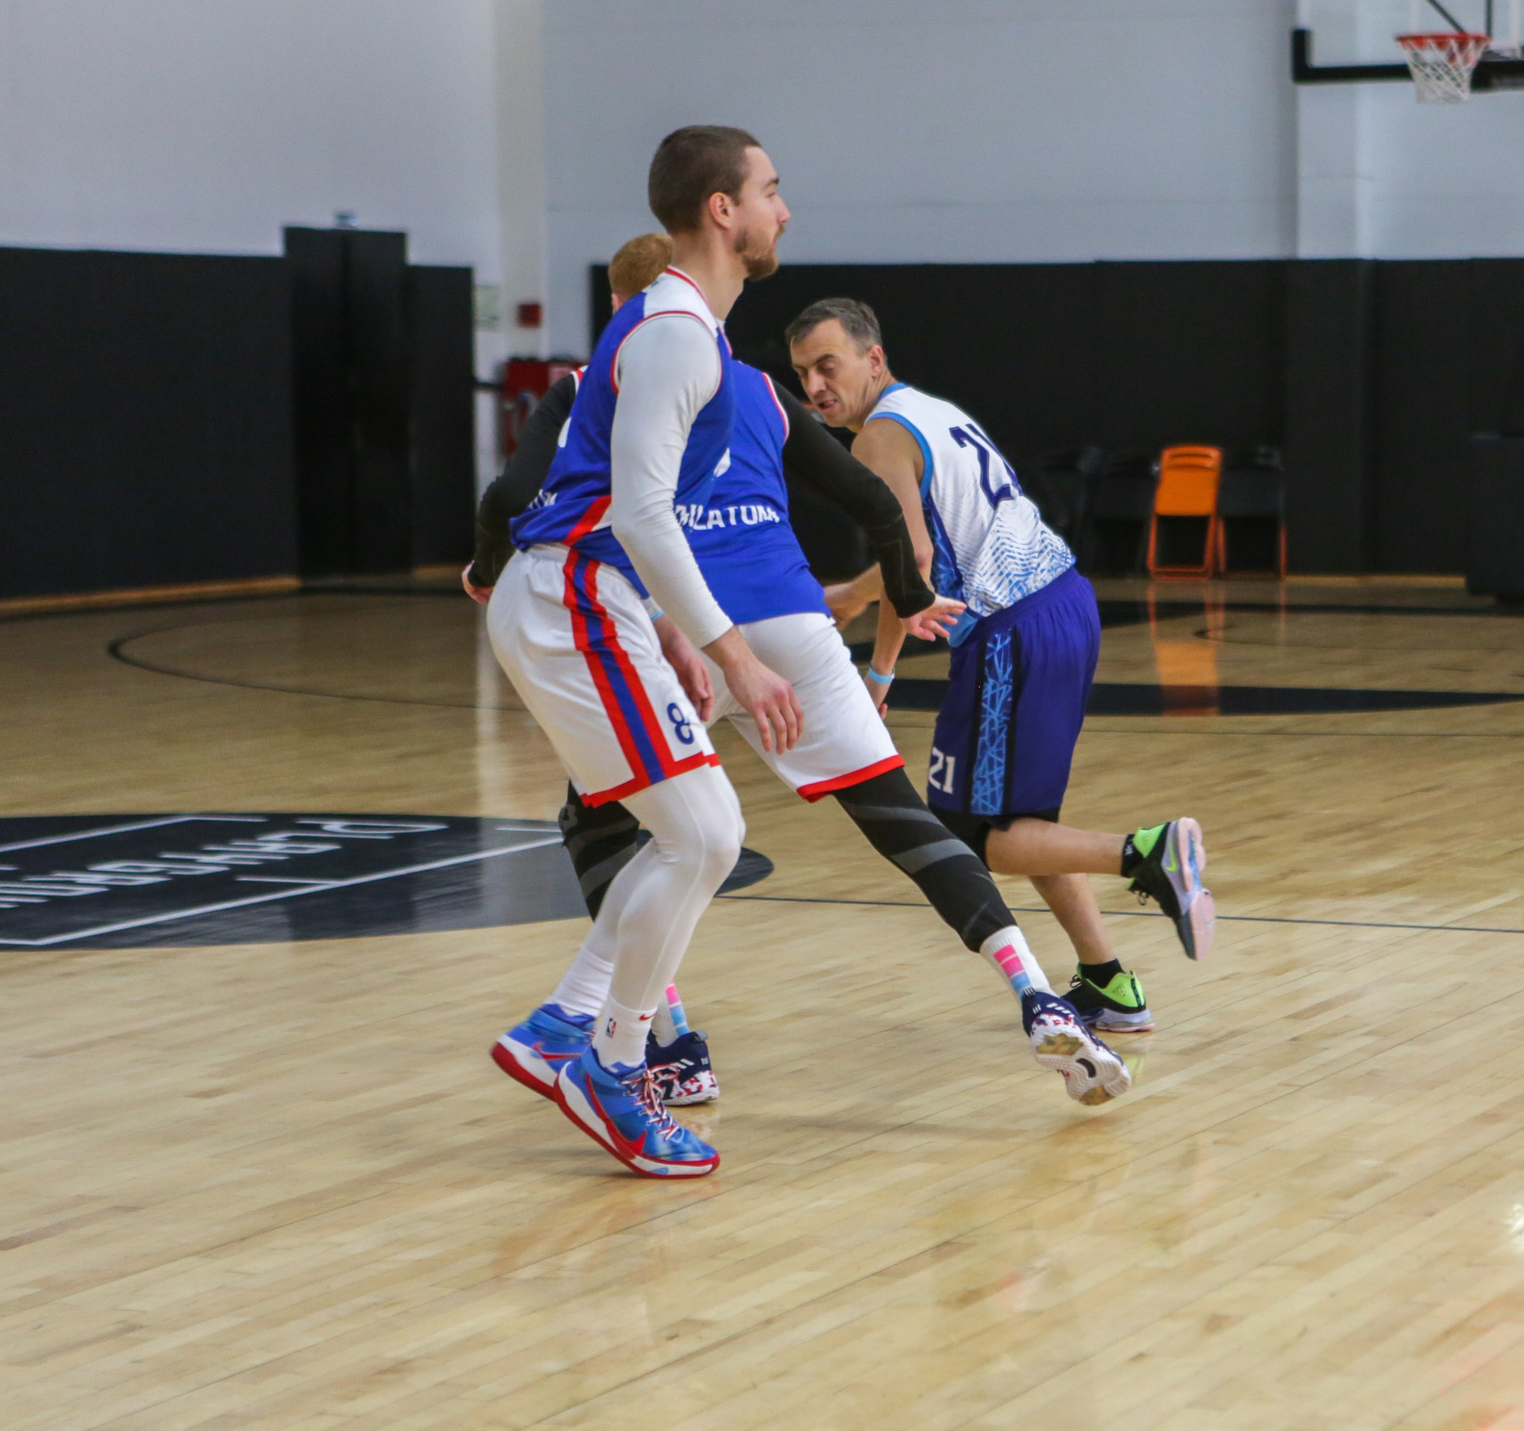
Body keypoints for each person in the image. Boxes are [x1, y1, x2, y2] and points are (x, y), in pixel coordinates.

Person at [478, 245, 1136, 1110]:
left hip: (681, 625)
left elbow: (508, 501)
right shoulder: (753, 385)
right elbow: (875, 503)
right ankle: (1035, 991)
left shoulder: (594, 384)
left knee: (609, 821)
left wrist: (484, 571)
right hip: (796, 616)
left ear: (619, 305)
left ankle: (664, 1042)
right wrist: (907, 595)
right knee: (900, 817)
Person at [479, 125, 801, 1176]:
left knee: (695, 835)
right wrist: (733, 652)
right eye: (769, 189)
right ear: (722, 209)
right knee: (703, 833)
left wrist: (664, 625)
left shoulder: (679, 323)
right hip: (571, 593)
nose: (783, 209)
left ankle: (569, 1028)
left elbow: (626, 503)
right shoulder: (675, 334)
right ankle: (608, 1063)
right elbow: (642, 513)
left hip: (587, 594)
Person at [790, 297, 1214, 1034]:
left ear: (873, 359)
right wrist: (866, 613)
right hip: (1066, 604)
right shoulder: (930, 411)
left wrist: (875, 663)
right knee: (1025, 819)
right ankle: (1110, 983)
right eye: (802, 374)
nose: (816, 386)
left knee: (968, 828)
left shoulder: (880, 438)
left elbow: (912, 562)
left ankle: (1147, 854)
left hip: (1012, 633)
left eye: (828, 365)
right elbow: (912, 565)